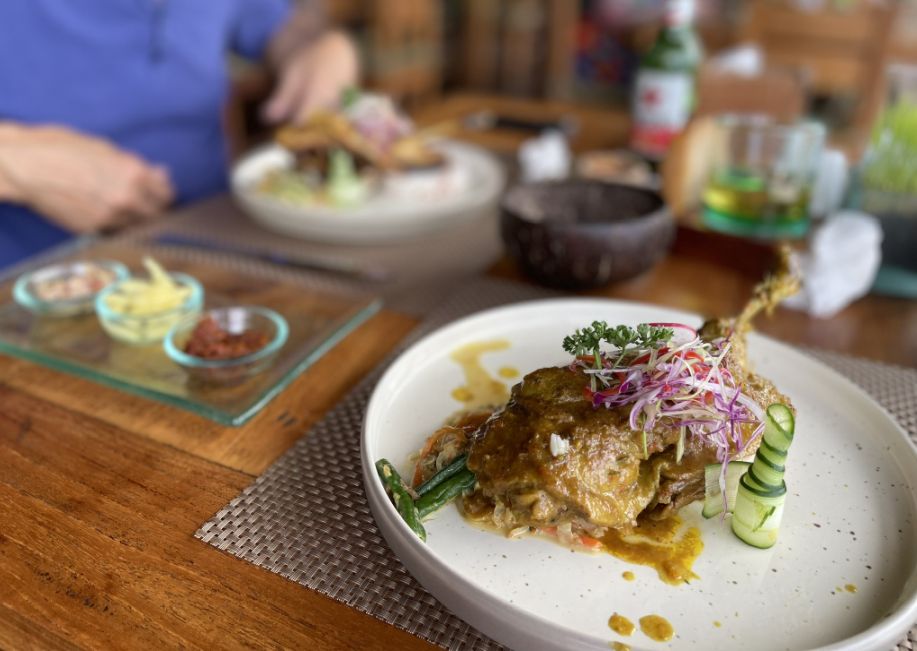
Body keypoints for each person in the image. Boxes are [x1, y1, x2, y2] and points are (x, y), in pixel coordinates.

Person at [0, 1, 359, 270]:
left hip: (219, 247)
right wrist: (20, 161)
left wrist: (315, 47)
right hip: (32, 277)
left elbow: (280, 19)